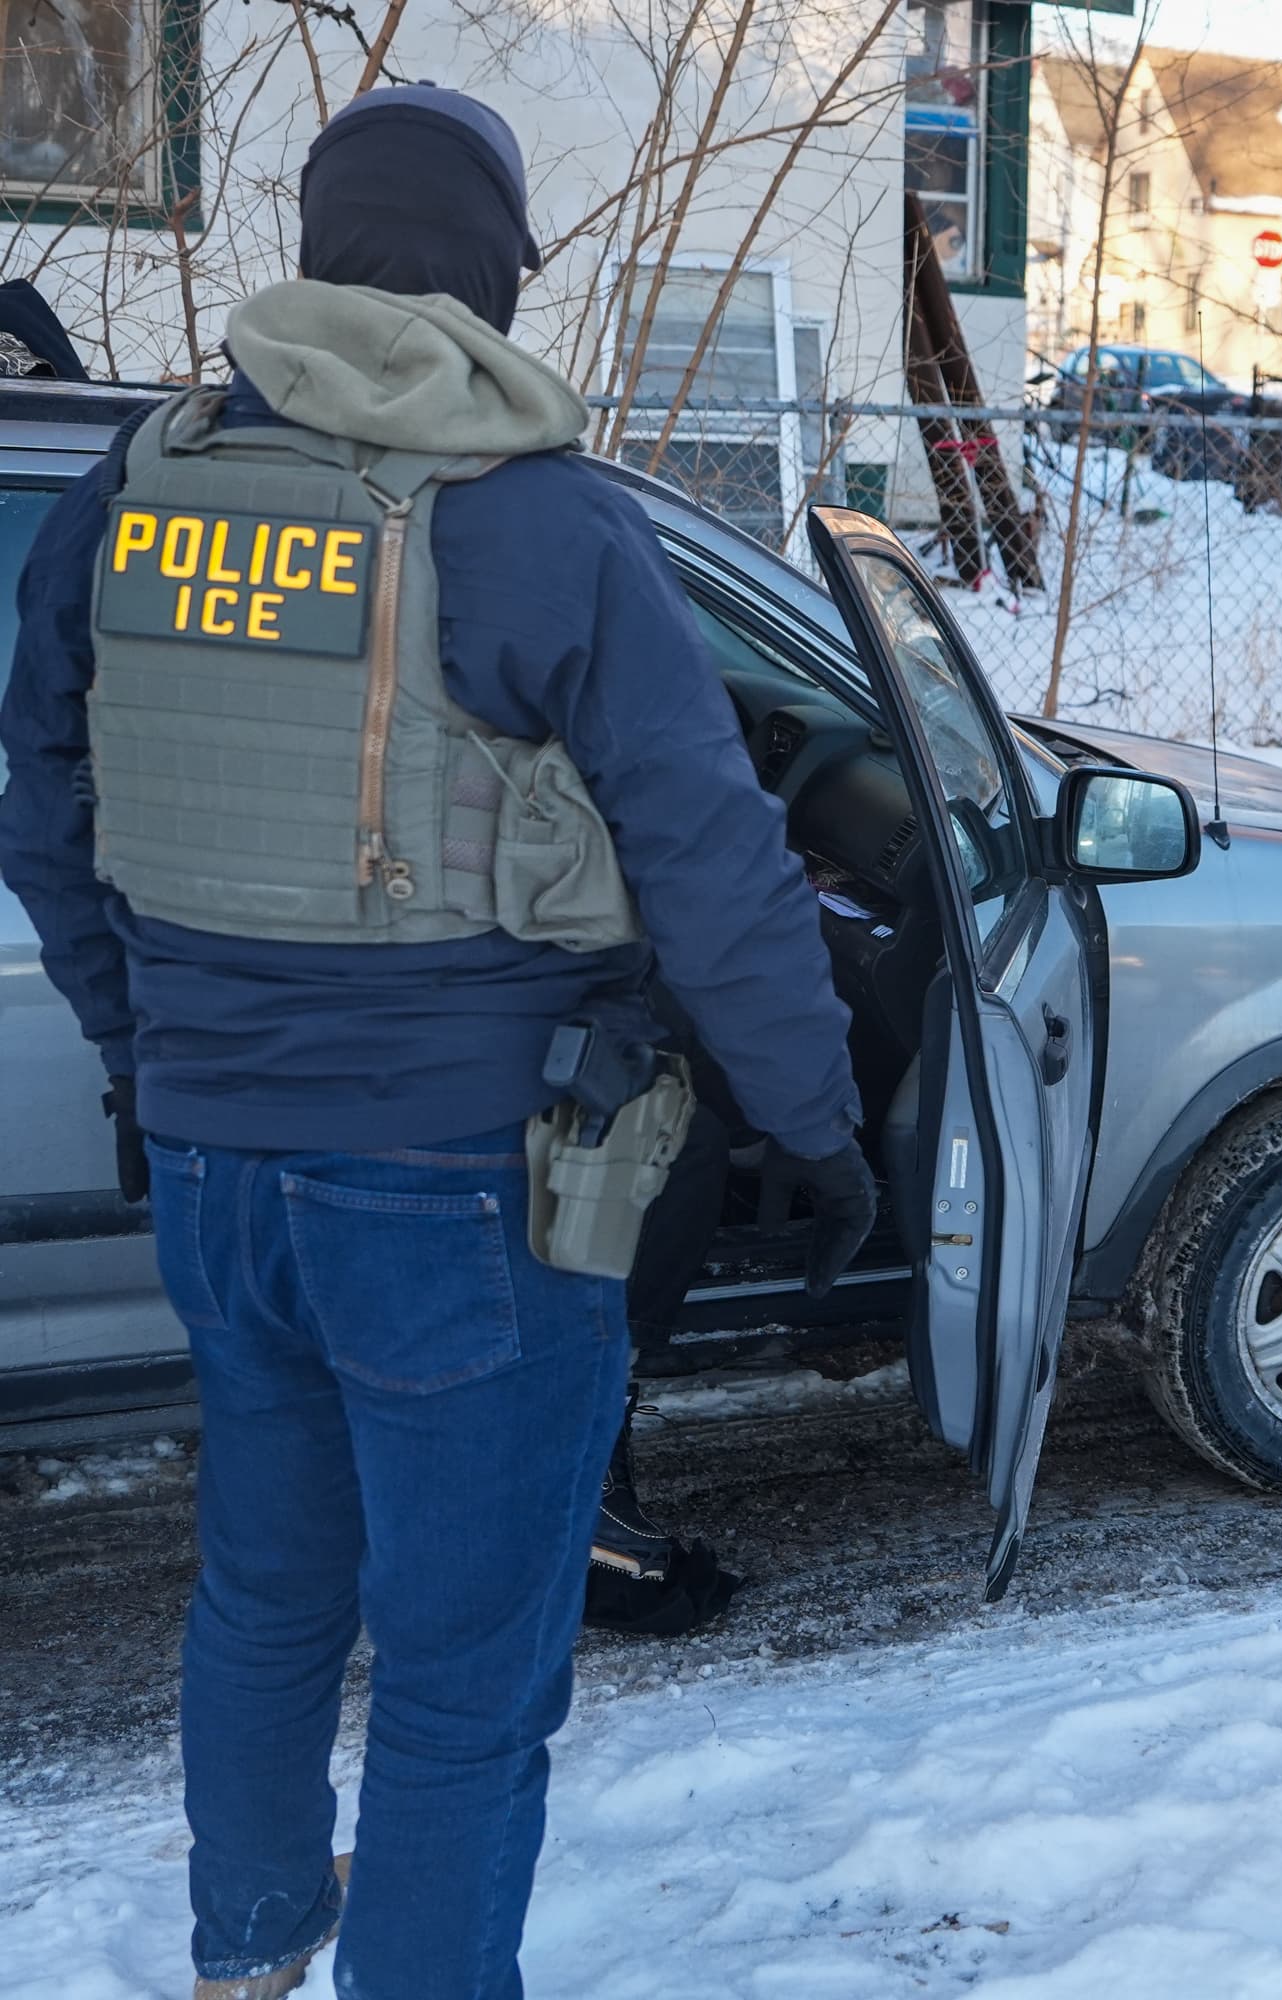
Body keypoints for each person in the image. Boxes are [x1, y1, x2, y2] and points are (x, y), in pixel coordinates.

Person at [0, 87, 875, 2000]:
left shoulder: (133, 486)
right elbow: (712, 854)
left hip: (222, 1180)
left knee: (265, 1601)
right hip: (467, 1187)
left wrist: (152, 1042)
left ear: (321, 247)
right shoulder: (538, 516)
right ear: (485, 272)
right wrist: (813, 1118)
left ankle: (245, 1956)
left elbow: (47, 808)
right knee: (466, 1681)